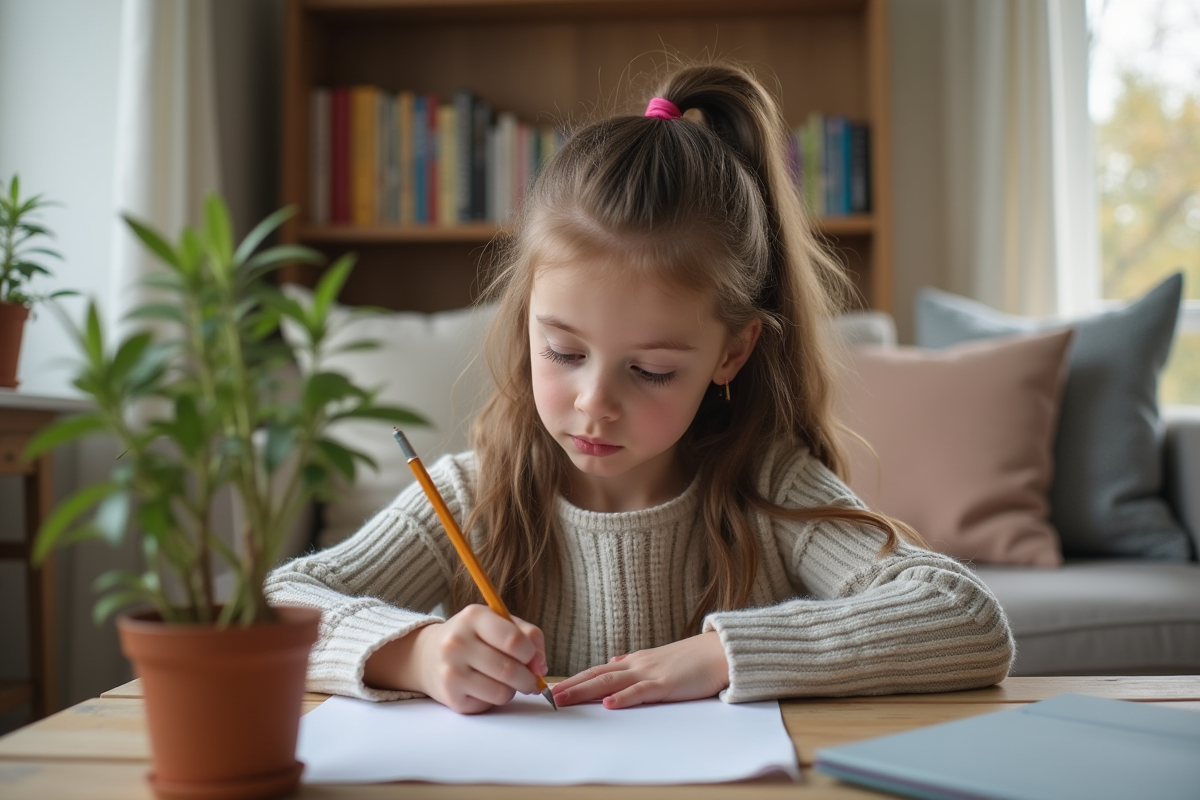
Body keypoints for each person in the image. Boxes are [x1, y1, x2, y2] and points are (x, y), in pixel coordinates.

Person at [266, 62, 1014, 715]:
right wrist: (420, 654)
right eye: (562, 351)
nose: (595, 401)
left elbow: (965, 617)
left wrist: (722, 655)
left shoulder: (768, 489)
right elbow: (279, 602)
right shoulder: (474, 494)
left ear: (733, 352)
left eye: (651, 370)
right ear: (525, 319)